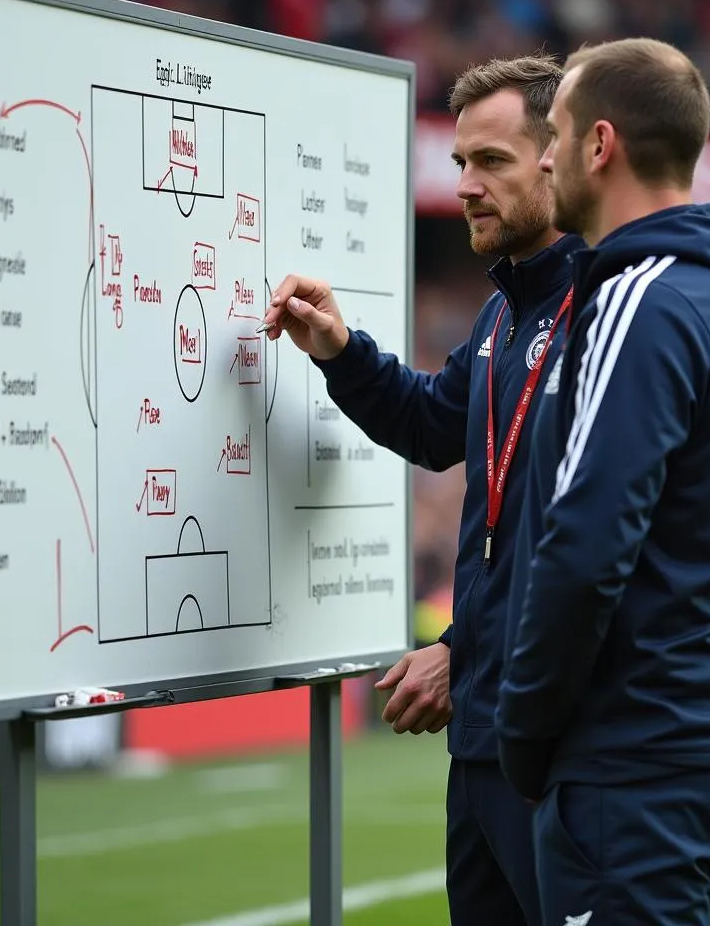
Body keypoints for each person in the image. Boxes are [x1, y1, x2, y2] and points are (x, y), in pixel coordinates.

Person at [495, 37, 710, 925]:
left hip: (636, 764)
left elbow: (588, 541)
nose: (545, 154)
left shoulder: (645, 297)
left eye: (554, 132)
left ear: (601, 145)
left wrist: (522, 737)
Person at [261, 54, 584, 926]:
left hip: (556, 746)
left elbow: (574, 547)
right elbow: (433, 425)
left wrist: (462, 650)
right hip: (480, 739)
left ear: (558, 160)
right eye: (459, 165)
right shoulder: (502, 313)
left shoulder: (600, 316)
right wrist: (339, 348)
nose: (466, 187)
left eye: (492, 163)